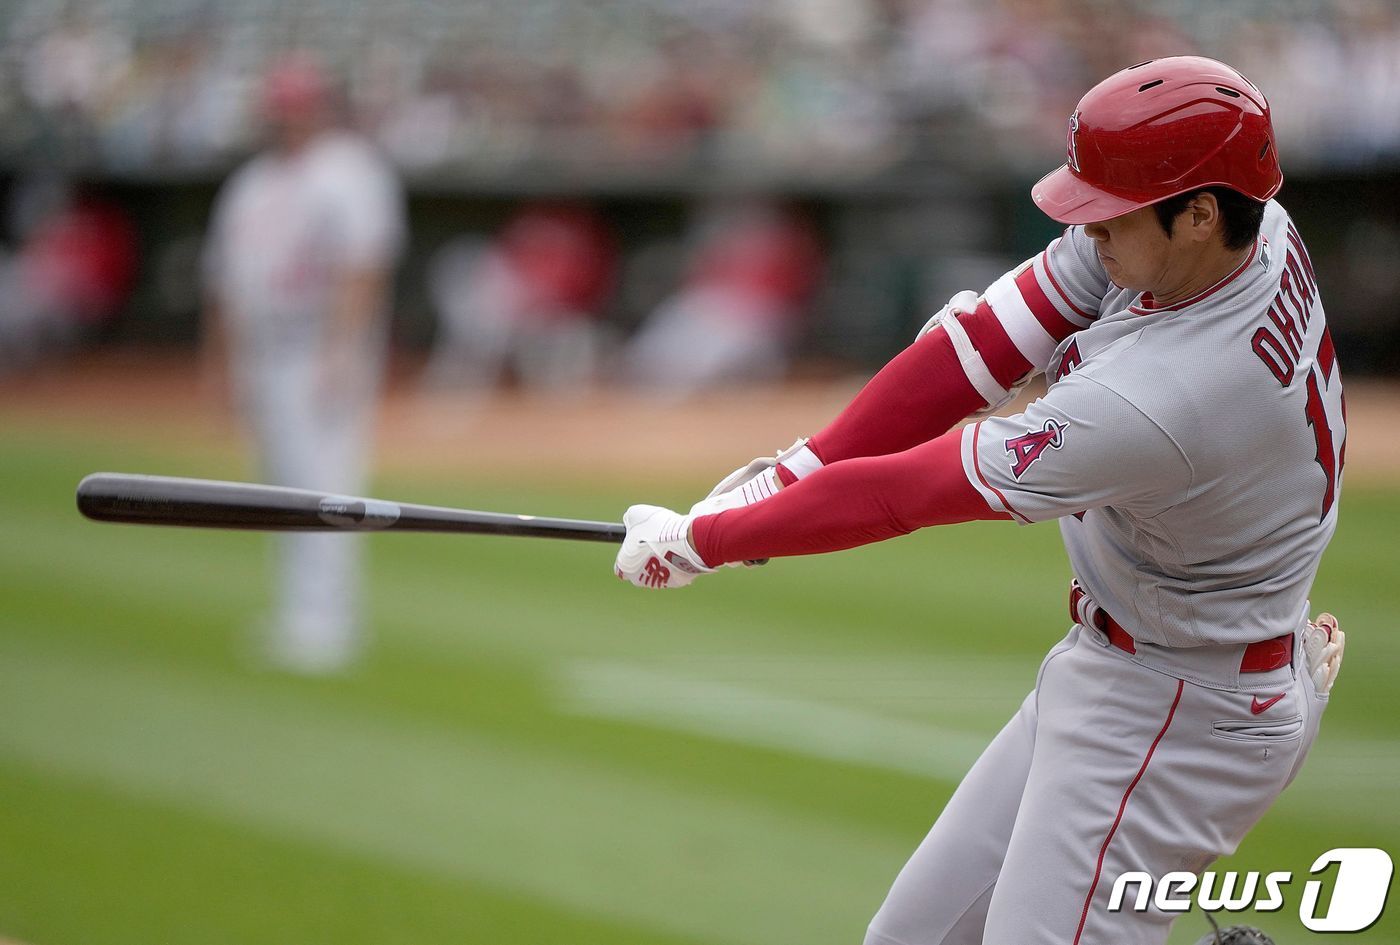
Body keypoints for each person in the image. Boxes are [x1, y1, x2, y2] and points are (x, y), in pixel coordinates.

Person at [614, 57, 1347, 945]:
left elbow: (908, 491)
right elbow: (984, 344)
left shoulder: (1167, 397)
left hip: (1180, 716)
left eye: (1110, 211)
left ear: (1196, 213)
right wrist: (796, 468)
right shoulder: (1239, 225)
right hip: (1143, 661)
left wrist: (707, 539)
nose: (1090, 229)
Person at [203, 54, 406, 672]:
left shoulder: (348, 171)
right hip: (265, 344)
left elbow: (363, 266)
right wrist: (222, 362)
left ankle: (327, 623)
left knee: (326, 483)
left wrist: (341, 351)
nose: (287, 118)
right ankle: (298, 613)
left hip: (319, 342)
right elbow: (227, 282)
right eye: (279, 106)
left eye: (296, 105)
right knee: (277, 483)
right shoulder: (252, 182)